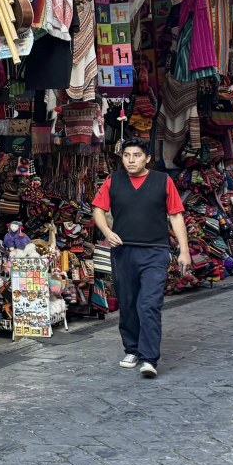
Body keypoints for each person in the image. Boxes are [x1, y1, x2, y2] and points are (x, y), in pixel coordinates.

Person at [92, 139, 191, 379]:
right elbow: (98, 210)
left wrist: (184, 250)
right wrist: (107, 232)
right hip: (123, 251)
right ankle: (132, 349)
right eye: (127, 155)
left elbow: (176, 216)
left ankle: (149, 358)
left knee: (149, 303)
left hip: (155, 251)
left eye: (137, 155)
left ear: (147, 158)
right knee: (127, 303)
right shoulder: (113, 180)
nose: (131, 160)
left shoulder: (163, 181)